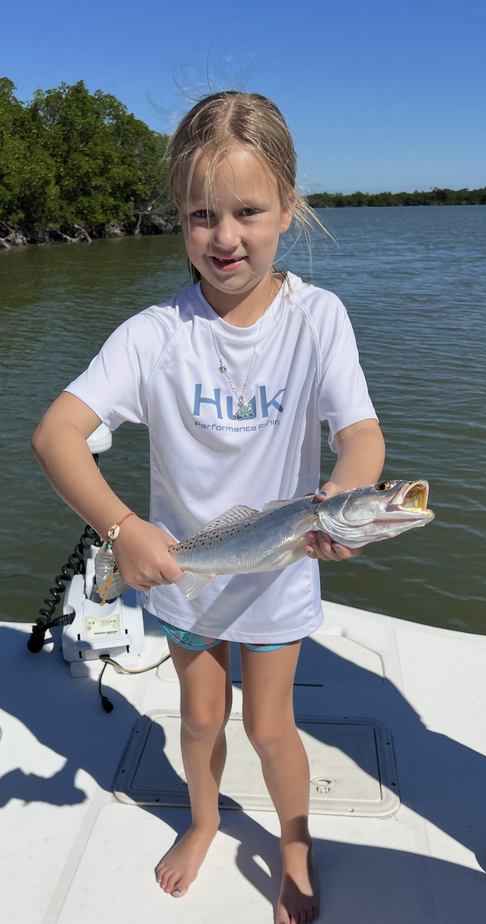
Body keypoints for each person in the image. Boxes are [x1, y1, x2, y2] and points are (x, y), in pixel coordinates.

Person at [32, 91, 385, 924]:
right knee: (198, 719)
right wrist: (124, 531)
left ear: (287, 209)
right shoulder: (154, 334)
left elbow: (361, 435)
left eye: (248, 211)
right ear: (177, 219)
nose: (224, 237)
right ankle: (200, 819)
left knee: (269, 727)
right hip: (183, 573)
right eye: (200, 215)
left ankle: (294, 843)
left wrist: (340, 499)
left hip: (278, 569)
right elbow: (57, 435)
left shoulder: (317, 319)